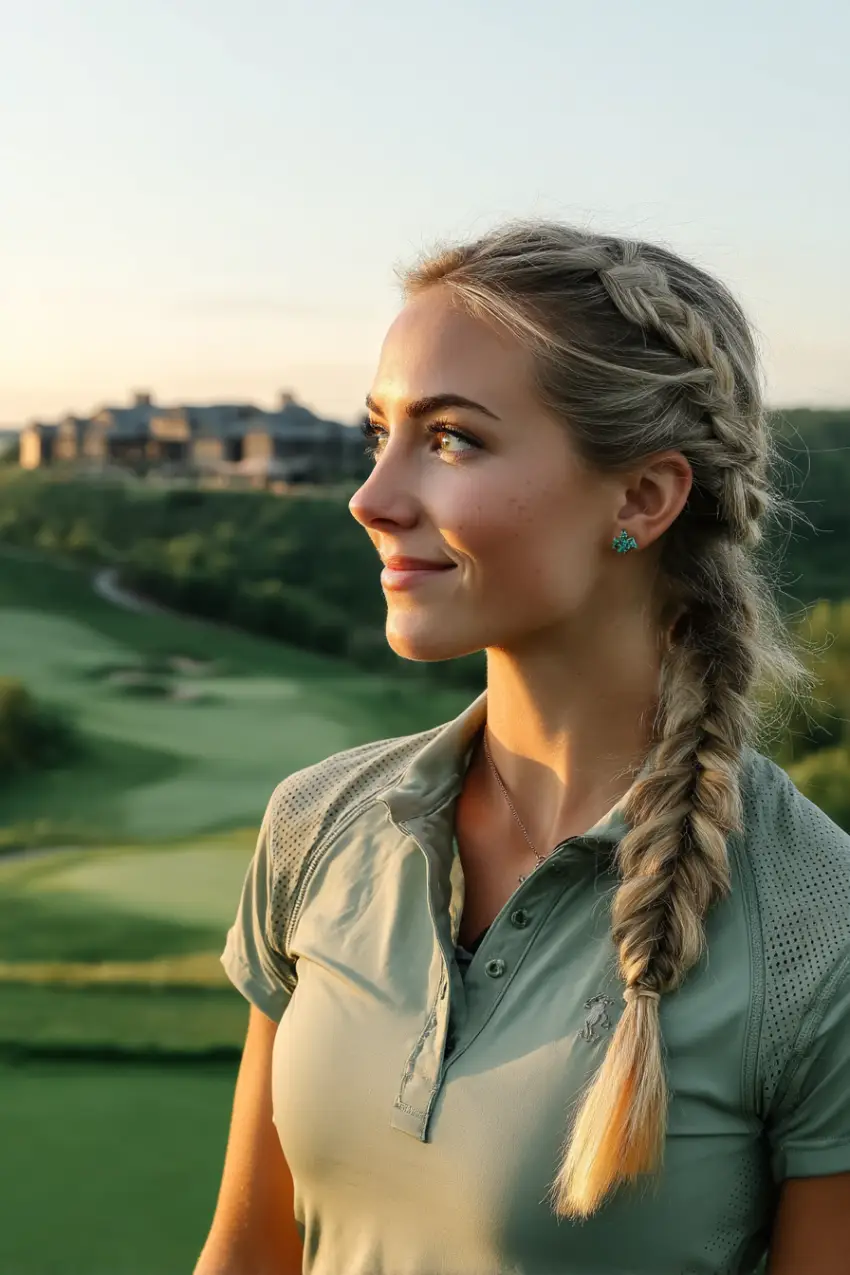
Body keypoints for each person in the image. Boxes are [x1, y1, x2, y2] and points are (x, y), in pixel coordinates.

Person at [196, 220, 850, 1275]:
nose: (372, 498)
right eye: (381, 436)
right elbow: (244, 1252)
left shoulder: (820, 934)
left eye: (451, 438)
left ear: (642, 497)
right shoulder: (315, 827)